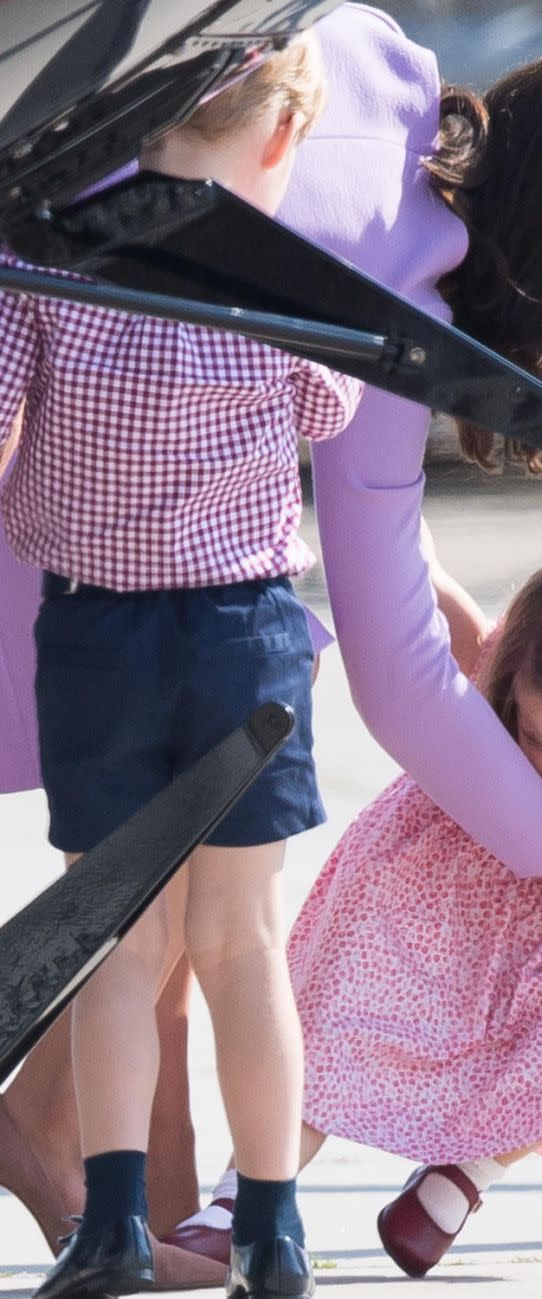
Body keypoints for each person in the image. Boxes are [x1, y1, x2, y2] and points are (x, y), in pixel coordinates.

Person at [0, 3, 542, 1280]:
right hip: (93, 523)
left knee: (186, 875)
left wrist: (407, 577)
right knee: (210, 824)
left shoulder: (355, 55)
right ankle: (68, 1154)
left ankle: (112, 1182)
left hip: (85, 459)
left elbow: (290, 464)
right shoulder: (406, 262)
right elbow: (399, 686)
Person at [0, 30, 364, 1299]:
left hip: (97, 635)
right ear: (277, 140)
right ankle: (271, 1226)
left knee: (118, 944)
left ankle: (110, 1226)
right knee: (243, 947)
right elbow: (335, 408)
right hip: (242, 632)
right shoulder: (281, 279)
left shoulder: (42, 266)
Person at [170, 551, 542, 1277]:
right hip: (419, 927)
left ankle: (463, 1175)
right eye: (540, 741)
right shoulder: (491, 674)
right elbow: (408, 570)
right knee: (332, 1025)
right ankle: (244, 1197)